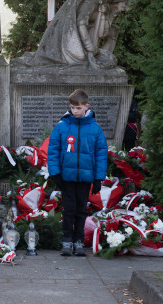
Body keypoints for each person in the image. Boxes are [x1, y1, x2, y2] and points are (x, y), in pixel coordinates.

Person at [48, 89, 109, 257]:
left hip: (85, 178)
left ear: (86, 107)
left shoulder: (95, 129)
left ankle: (79, 241)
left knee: (81, 210)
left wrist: (98, 178)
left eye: (79, 108)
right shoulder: (62, 127)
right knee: (69, 209)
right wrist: (55, 174)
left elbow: (101, 153)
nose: (75, 111)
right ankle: (67, 241)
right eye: (73, 108)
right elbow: (53, 151)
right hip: (67, 177)